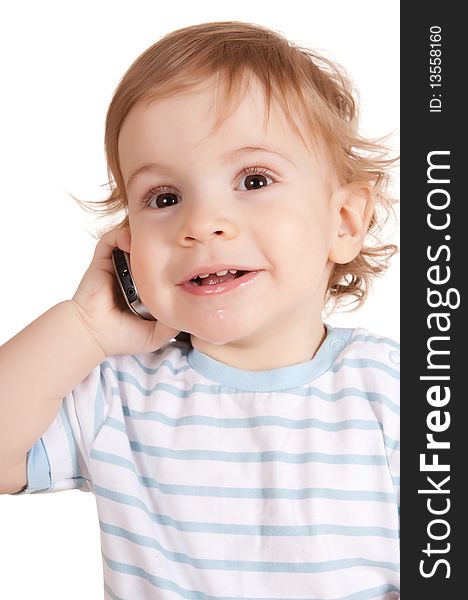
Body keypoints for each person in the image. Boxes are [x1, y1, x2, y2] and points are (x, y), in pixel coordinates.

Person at [0, 21, 399, 600]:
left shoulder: (399, 392)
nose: (201, 223)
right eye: (164, 198)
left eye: (254, 179)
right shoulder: (118, 396)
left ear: (343, 222)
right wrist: (84, 326)